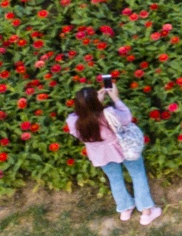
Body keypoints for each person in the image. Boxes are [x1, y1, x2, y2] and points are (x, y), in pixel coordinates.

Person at [66, 83, 162, 225]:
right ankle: (146, 212)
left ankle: (125, 208)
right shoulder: (108, 113)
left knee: (115, 179)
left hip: (100, 155)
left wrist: (91, 102)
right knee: (137, 174)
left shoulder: (73, 121)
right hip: (123, 149)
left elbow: (84, 115)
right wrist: (115, 98)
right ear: (95, 102)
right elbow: (127, 117)